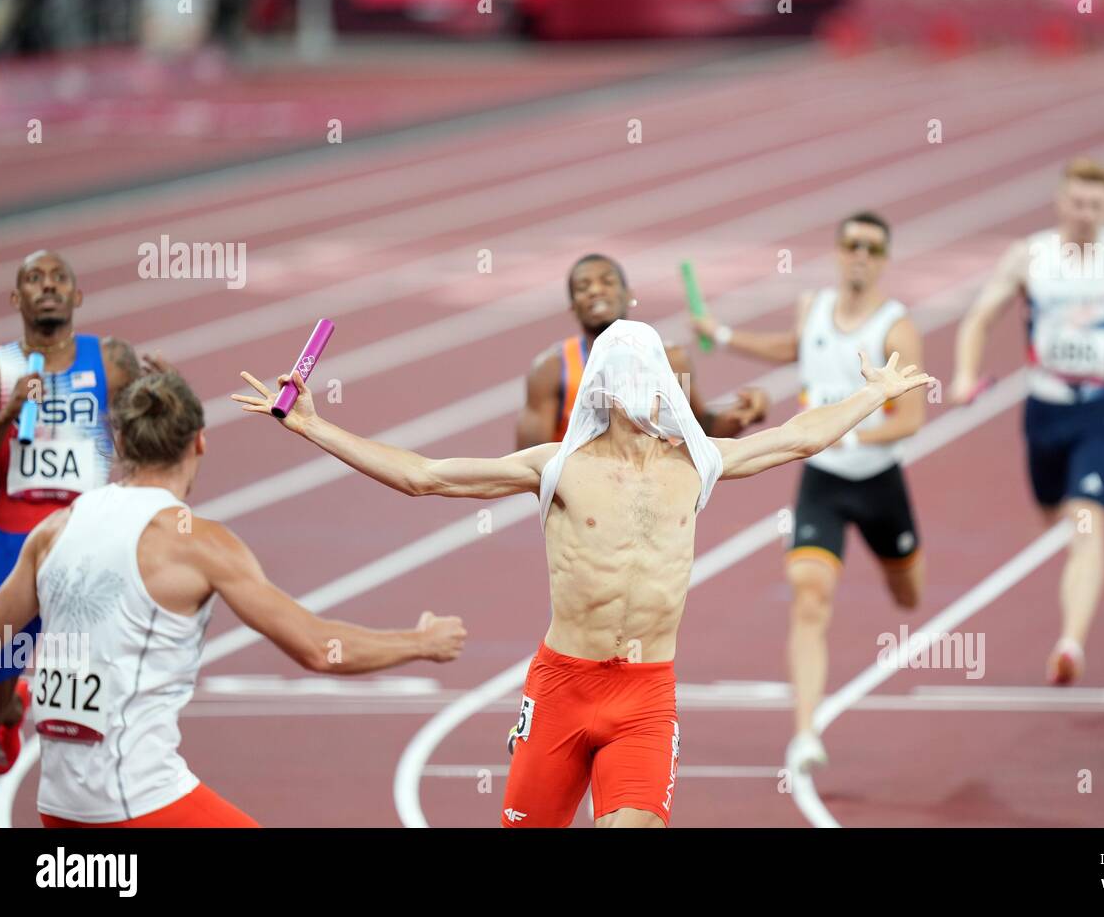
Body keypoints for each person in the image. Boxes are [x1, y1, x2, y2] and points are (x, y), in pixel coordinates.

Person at [231, 319, 933, 827]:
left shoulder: (698, 463)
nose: (647, 386)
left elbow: (799, 436)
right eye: (631, 373)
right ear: (607, 386)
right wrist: (312, 427)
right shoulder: (559, 467)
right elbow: (423, 477)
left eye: (654, 372)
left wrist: (876, 394)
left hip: (646, 696)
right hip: (563, 687)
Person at [0, 371, 467, 827]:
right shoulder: (198, 544)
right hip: (138, 799)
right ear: (199, 441)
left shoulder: (54, 530)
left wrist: (20, 699)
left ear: (119, 442)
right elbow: (318, 649)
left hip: (56, 803)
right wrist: (421, 642)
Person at [690, 211, 928, 773]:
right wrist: (723, 335)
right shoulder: (814, 307)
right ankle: (805, 733)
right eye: (852, 244)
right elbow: (794, 348)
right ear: (839, 251)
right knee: (809, 595)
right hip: (822, 482)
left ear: (884, 259)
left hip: (878, 482)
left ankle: (901, 571)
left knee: (908, 596)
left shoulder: (896, 328)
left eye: (873, 247)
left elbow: (912, 418)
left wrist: (852, 432)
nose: (861, 255)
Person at [951, 158, 1104, 685]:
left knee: (1088, 524)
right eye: (1077, 202)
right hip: (1043, 412)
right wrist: (963, 374)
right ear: (1060, 201)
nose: (1086, 213)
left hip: (1098, 411)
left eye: (1096, 204)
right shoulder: (1031, 257)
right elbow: (980, 317)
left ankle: (1070, 643)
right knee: (1056, 516)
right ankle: (1075, 562)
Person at [0, 250, 156, 775]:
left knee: (100, 680)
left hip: (87, 542)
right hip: (13, 546)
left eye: (60, 278)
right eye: (34, 279)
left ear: (78, 296)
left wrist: (164, 395)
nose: (48, 286)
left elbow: (152, 427)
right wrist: (6, 417)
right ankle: (11, 708)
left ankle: (106, 783)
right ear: (17, 299)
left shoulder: (111, 361)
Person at [515, 253, 769, 449]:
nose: (595, 290)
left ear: (629, 296)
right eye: (583, 287)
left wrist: (743, 414)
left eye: (607, 281)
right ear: (573, 306)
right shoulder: (552, 370)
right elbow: (530, 458)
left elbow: (698, 431)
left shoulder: (671, 361)